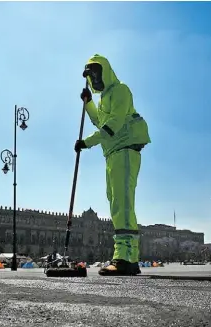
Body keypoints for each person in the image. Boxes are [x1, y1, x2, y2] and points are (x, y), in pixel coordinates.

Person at [75, 54, 151, 276]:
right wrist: (88, 103)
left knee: (122, 202)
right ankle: (129, 257)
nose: (94, 78)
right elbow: (100, 121)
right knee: (116, 201)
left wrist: (86, 143)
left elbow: (113, 125)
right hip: (113, 153)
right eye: (90, 76)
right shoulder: (104, 98)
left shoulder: (120, 90)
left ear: (105, 72)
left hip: (125, 148)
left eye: (96, 73)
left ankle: (124, 258)